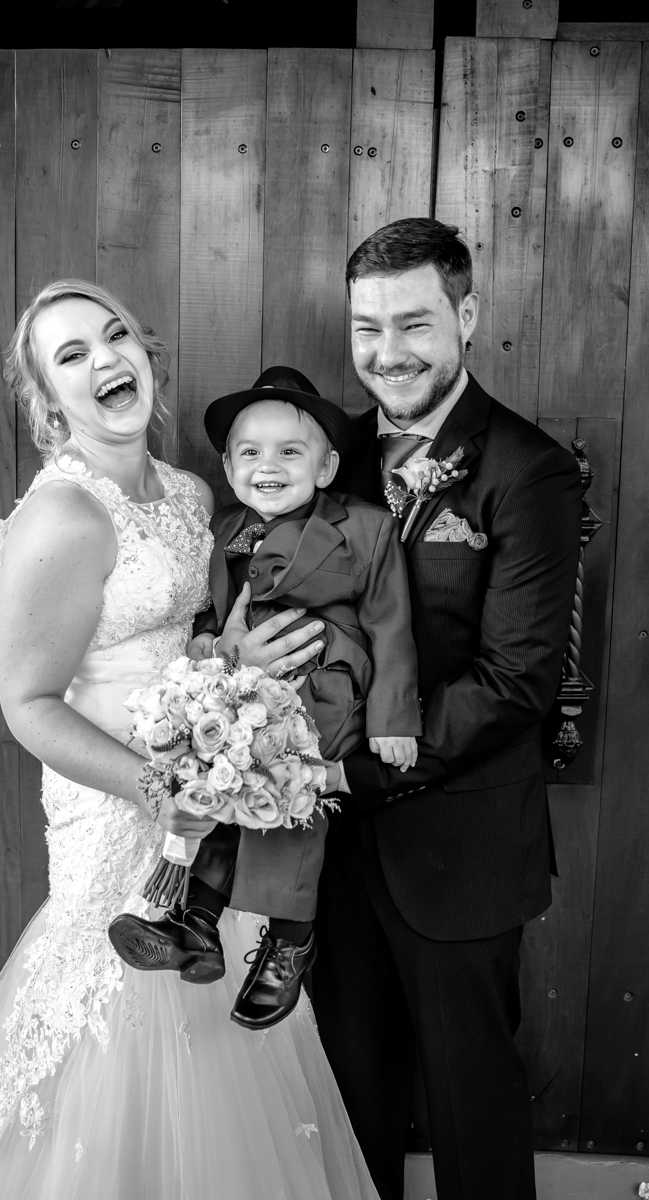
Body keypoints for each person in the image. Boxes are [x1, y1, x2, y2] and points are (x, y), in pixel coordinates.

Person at [0, 280, 380, 1200]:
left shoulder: (190, 494)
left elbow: (179, 646)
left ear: (147, 357)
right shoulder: (61, 517)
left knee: (211, 995)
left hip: (205, 790)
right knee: (115, 1013)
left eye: (114, 335)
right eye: (71, 355)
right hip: (119, 803)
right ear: (49, 400)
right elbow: (29, 703)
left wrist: (229, 664)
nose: (104, 359)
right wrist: (158, 791)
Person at [309, 217, 583, 1200]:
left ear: (465, 317)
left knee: (473, 1120)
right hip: (333, 855)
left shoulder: (527, 470)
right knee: (348, 1114)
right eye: (366, 327)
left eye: (414, 324)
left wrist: (353, 767)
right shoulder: (328, 454)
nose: (387, 353)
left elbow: (515, 681)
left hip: (459, 852)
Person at [110, 366, 421, 1033]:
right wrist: (207, 648)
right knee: (220, 792)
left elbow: (391, 624)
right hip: (240, 692)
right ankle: (196, 924)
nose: (268, 466)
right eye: (250, 452)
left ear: (327, 466)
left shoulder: (365, 528)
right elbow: (209, 612)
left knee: (290, 808)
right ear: (227, 467)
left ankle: (289, 941)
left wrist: (392, 719)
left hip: (323, 698)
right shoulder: (225, 529)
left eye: (290, 451)